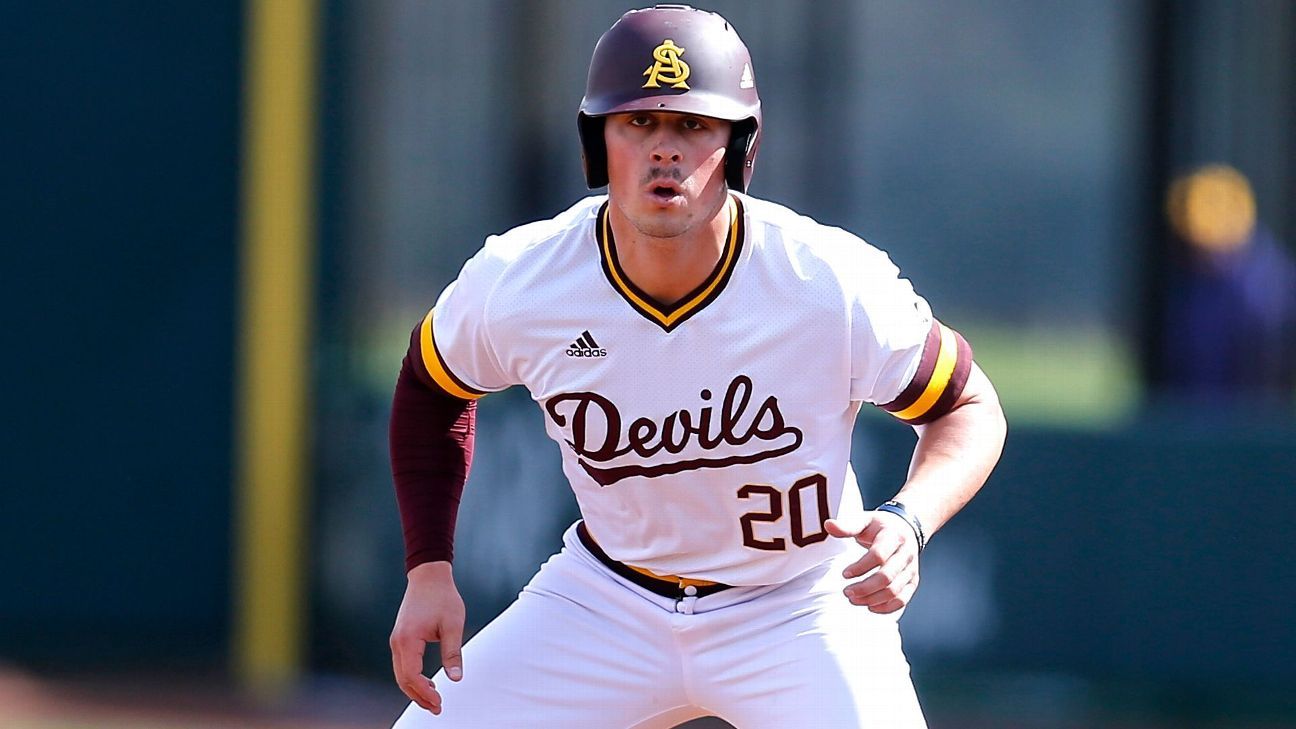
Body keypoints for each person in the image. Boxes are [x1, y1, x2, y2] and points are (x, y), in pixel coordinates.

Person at [387, 6, 1006, 727]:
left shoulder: (825, 283)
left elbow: (968, 406)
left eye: (692, 125)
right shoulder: (524, 280)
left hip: (799, 607)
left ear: (738, 146)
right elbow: (430, 386)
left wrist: (910, 518)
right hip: (605, 600)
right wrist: (428, 565)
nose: (664, 150)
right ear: (599, 143)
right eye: (638, 123)